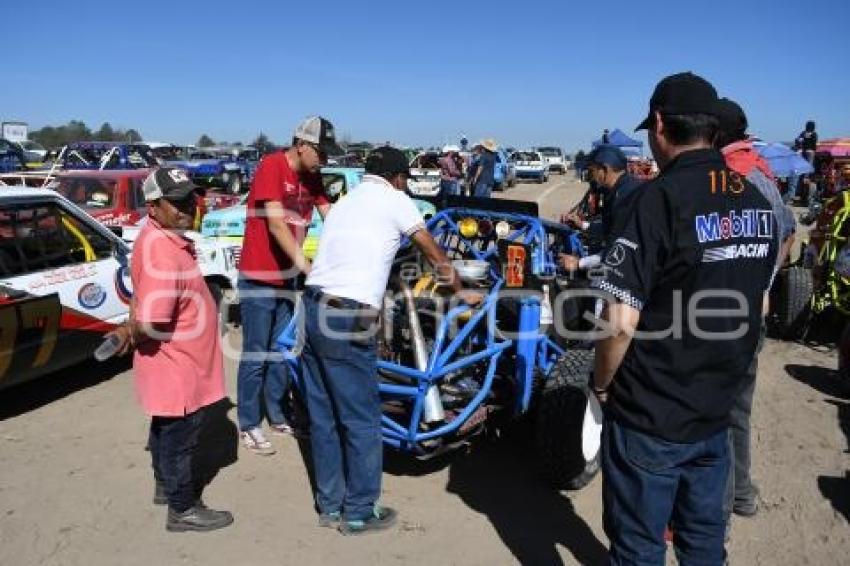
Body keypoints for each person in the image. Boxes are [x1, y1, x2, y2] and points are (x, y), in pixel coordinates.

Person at [591, 72, 778, 563]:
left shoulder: (657, 200)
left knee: (637, 547)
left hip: (652, 413)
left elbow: (619, 319)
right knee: (703, 542)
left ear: (658, 124)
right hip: (715, 411)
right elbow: (760, 304)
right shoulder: (757, 201)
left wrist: (603, 383)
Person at [301, 146, 483, 535]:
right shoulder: (396, 200)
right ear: (399, 178)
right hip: (349, 316)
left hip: (313, 306)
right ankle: (360, 512)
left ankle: (330, 505)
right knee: (363, 418)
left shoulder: (346, 202)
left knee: (325, 416)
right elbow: (432, 251)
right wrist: (459, 289)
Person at [106, 168, 233, 532]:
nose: (186, 208)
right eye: (175, 202)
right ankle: (182, 508)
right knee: (180, 437)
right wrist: (132, 331)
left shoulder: (158, 235)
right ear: (153, 207)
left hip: (170, 365)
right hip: (178, 365)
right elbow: (155, 320)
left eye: (188, 199)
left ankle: (165, 487)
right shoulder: (163, 250)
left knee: (165, 428)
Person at [236, 116, 340, 455]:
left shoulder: (313, 179)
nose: (324, 161)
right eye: (321, 153)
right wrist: (309, 269)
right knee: (256, 352)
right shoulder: (272, 166)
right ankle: (249, 423)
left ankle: (277, 414)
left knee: (282, 352)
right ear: (303, 145)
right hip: (259, 277)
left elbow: (333, 217)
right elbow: (278, 227)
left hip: (286, 278)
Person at [715, 98, 796, 528]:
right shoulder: (764, 172)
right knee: (738, 412)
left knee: (717, 416)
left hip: (725, 315)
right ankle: (743, 493)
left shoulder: (730, 177)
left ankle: (721, 511)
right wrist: (765, 284)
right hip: (753, 312)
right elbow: (788, 233)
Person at [560, 145, 643, 271]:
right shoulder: (620, 189)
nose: (591, 177)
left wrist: (579, 263)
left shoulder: (626, 197)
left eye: (592, 171)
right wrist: (582, 225)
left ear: (604, 170)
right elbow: (609, 227)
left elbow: (619, 251)